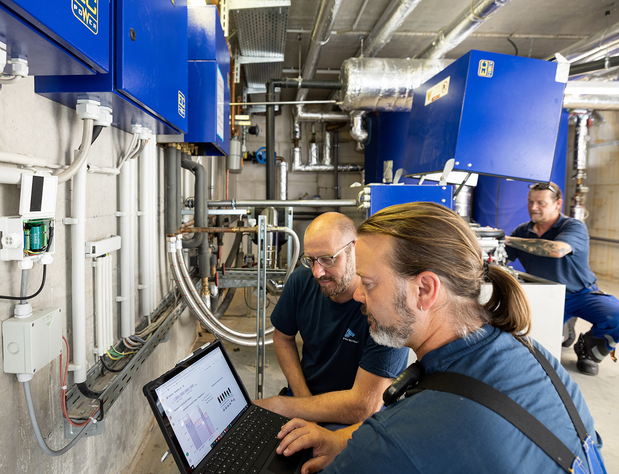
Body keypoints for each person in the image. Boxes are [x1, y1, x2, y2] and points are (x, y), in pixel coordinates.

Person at [272, 202, 603, 474]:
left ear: (425, 290)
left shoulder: (400, 437)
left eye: (369, 283)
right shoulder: (537, 357)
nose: (357, 294)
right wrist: (342, 440)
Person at [253, 212, 408, 425]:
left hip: (355, 417)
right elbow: (282, 337)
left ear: (354, 247)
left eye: (327, 259)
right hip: (304, 398)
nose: (317, 272)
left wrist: (284, 406)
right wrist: (303, 400)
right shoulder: (301, 281)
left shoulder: (384, 304)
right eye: (310, 260)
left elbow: (363, 407)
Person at [504, 182, 619, 376]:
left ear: (558, 204)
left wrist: (503, 238)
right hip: (545, 295)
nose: (533, 208)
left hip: (581, 293)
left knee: (616, 315)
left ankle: (589, 350)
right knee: (537, 346)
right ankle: (566, 330)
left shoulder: (573, 226)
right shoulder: (522, 232)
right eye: (530, 202)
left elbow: (558, 250)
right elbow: (500, 257)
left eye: (540, 203)